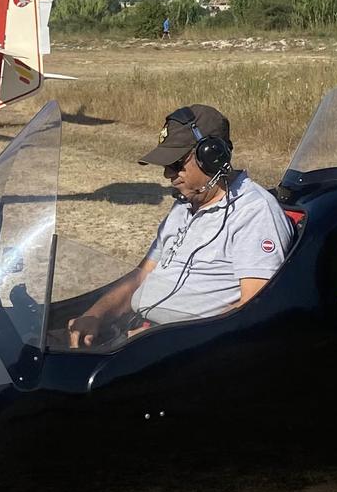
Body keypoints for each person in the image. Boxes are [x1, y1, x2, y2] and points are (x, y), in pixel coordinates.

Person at [66, 105, 294, 349]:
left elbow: (252, 312)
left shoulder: (254, 213)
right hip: (137, 333)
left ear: (212, 156)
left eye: (175, 164)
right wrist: (95, 315)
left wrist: (160, 339)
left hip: (185, 352)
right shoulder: (183, 207)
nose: (167, 175)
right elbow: (141, 276)